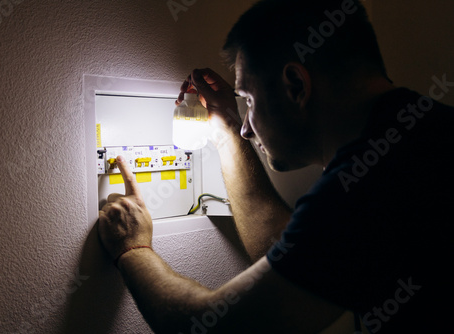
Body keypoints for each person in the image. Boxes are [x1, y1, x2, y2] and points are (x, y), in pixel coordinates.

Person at [98, 0, 453, 333]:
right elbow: (287, 252)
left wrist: (133, 248)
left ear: (296, 85)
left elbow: (211, 325)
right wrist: (226, 132)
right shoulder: (416, 140)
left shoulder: (366, 186)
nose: (246, 126)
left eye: (249, 100)